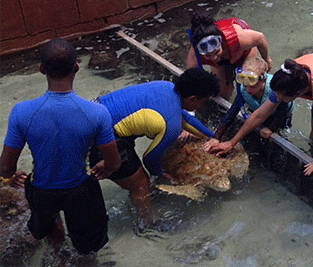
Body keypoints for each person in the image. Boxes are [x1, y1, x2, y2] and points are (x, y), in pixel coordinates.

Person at [0, 38, 121, 258]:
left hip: (42, 190)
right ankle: (85, 261)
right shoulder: (97, 113)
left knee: (49, 225)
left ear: (41, 69)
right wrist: (106, 167)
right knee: (88, 245)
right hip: (82, 189)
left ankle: (60, 256)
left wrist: (11, 176)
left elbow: (6, 168)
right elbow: (114, 162)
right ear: (76, 67)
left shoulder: (21, 112)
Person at [89, 68, 220, 229]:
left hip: (92, 113)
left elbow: (184, 118)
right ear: (193, 98)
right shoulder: (170, 126)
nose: (202, 107)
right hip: (103, 138)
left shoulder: (167, 86)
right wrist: (160, 173)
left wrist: (213, 137)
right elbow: (150, 158)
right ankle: (149, 224)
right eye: (204, 102)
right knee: (141, 183)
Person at [205, 51, 313, 157]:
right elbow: (259, 115)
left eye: (281, 98)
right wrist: (231, 143)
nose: (277, 100)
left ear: (297, 94)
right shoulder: (287, 80)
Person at [186, 12, 273, 99]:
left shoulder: (237, 38)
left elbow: (260, 38)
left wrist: (266, 59)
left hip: (243, 52)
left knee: (250, 84)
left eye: (216, 52)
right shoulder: (195, 54)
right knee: (223, 93)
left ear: (221, 42)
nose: (214, 58)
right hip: (222, 62)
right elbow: (190, 78)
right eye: (208, 56)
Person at [214, 57, 293, 142]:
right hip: (258, 109)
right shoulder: (243, 90)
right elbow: (232, 113)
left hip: (280, 114)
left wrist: (270, 128)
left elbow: (282, 111)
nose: (248, 90)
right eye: (245, 85)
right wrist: (216, 137)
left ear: (264, 80)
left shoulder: (274, 90)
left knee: (278, 132)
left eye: (253, 86)